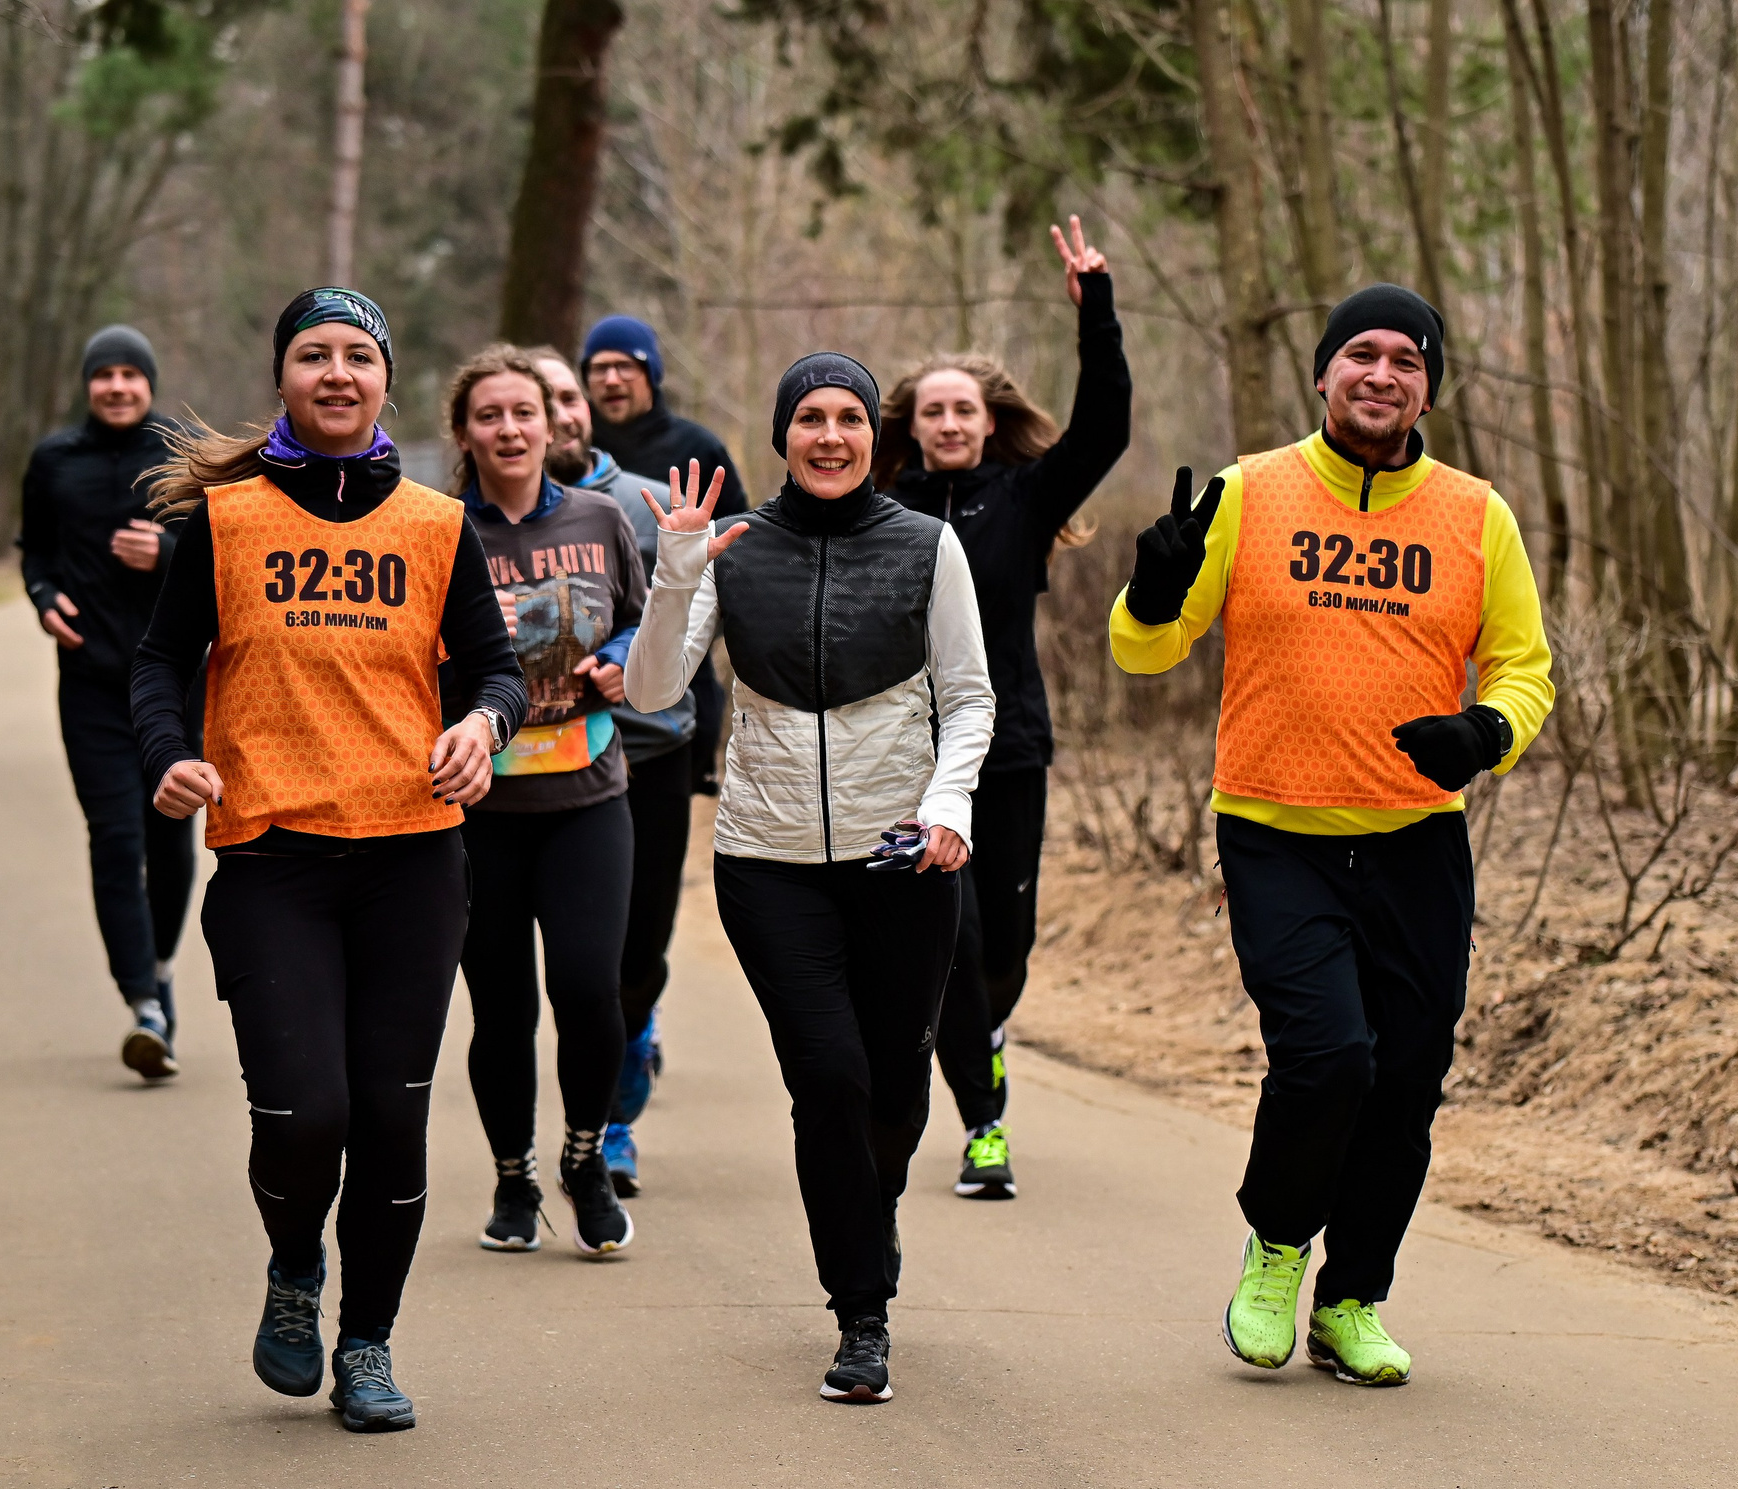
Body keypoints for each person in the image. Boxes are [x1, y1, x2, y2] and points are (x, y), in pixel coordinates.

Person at [1109, 284, 1554, 1387]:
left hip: (1416, 840)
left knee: (1406, 1077)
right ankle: (1276, 1245)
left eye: (1407, 359)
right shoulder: (1248, 493)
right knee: (1327, 1057)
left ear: (1428, 391)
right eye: (1361, 353)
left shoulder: (1476, 515)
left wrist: (1486, 731)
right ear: (1322, 374)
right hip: (1276, 832)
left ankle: (1352, 1296)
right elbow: (1144, 652)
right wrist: (1152, 594)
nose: (1381, 374)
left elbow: (1523, 668)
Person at [130, 287, 527, 1434]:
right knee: (307, 1114)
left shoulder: (438, 525)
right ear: (284, 377)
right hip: (273, 859)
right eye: (315, 354)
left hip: (413, 860)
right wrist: (170, 753)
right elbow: (157, 665)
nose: (338, 372)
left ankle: (367, 1343)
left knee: (392, 1123)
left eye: (359, 354)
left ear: (387, 381)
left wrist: (482, 726)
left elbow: (496, 671)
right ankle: (296, 1262)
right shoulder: (225, 520)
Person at [628, 354, 993, 1405]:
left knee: (896, 1088)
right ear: (782, 434)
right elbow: (652, 689)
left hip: (902, 857)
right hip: (767, 862)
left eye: (848, 419)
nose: (829, 436)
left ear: (874, 435)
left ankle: (872, 1210)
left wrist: (948, 806)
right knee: (828, 1077)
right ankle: (860, 1313)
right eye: (809, 419)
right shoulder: (735, 547)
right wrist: (678, 568)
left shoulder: (928, 545)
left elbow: (970, 697)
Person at [880, 215, 1131, 1201]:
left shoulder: (1023, 500)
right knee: (955, 940)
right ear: (911, 426)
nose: (948, 423)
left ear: (988, 423)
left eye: (964, 410)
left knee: (1005, 954)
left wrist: (1095, 309)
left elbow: (1104, 428)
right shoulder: (880, 510)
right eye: (932, 411)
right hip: (910, 756)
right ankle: (984, 1125)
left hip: (1009, 748)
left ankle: (982, 1037)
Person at [447, 345, 645, 1259]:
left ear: (552, 422)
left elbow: (641, 619)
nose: (509, 429)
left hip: (586, 796)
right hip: (478, 809)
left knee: (589, 988)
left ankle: (583, 1158)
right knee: (501, 1008)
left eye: (523, 412)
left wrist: (622, 658)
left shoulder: (602, 518)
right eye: (488, 415)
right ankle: (513, 1174)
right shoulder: (440, 530)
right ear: (464, 433)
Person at [19, 325, 198, 1081]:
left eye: (131, 374)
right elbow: (34, 548)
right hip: (89, 680)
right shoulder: (54, 460)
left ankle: (157, 967)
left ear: (149, 383)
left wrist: (165, 553)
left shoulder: (186, 455)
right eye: (105, 374)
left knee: (170, 837)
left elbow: (227, 557)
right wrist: (42, 595)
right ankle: (144, 1005)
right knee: (116, 837)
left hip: (175, 683)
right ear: (88, 384)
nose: (118, 386)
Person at [533, 347, 686, 1198]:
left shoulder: (647, 503)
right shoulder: (467, 519)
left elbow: (690, 625)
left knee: (635, 961)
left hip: (651, 753)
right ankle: (589, 1136)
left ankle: (611, 1116)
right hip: (526, 770)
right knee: (568, 973)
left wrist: (633, 658)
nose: (558, 412)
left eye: (567, 396)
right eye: (540, 398)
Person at [581, 314, 737, 802]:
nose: (611, 380)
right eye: (599, 368)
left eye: (625, 366)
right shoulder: (572, 453)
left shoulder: (697, 448)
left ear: (651, 374)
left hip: (679, 666)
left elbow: (734, 551)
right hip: (583, 676)